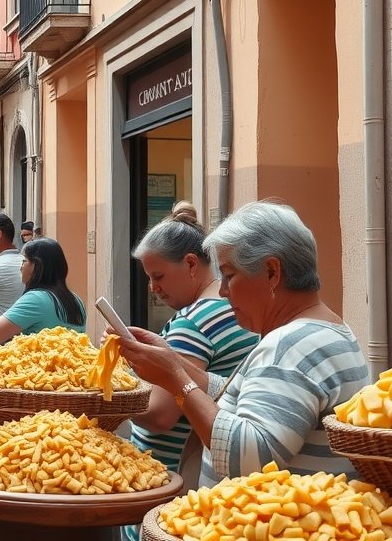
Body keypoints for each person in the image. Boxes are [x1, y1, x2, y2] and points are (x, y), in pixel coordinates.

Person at [110, 201, 371, 488]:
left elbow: (247, 459)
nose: (222, 292)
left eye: (229, 276)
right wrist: (172, 361)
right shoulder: (324, 330)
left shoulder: (292, 345)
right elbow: (250, 403)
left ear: (272, 272)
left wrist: (176, 381)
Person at [122, 202, 258, 540]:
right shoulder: (237, 308)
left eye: (159, 276)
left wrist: (113, 395)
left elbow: (160, 415)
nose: (154, 288)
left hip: (165, 477)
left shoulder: (192, 322)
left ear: (192, 264)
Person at [0, 238, 86, 352]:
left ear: (36, 266)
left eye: (24, 261)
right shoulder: (76, 300)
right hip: (70, 368)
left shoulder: (36, 299)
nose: (21, 266)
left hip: (39, 368)